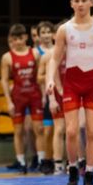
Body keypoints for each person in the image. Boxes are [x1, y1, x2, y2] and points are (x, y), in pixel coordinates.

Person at [47, 0, 93, 185]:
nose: (80, 4)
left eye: (84, 0)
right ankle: (73, 169)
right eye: (76, 1)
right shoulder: (64, 29)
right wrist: (50, 79)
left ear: (91, 2)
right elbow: (55, 58)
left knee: (92, 131)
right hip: (72, 83)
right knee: (71, 131)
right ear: (71, 4)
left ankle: (90, 174)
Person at [1, 24, 44, 174]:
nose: (18, 42)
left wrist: (43, 96)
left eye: (20, 38)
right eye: (15, 39)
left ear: (25, 37)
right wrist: (8, 101)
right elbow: (4, 80)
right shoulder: (7, 57)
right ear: (11, 39)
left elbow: (40, 76)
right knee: (18, 131)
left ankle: (41, 161)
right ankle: (21, 162)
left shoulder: (35, 53)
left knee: (39, 129)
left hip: (34, 94)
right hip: (18, 96)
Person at [39, 21, 66, 175]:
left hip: (71, 93)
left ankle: (74, 163)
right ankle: (56, 163)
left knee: (73, 130)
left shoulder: (74, 53)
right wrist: (52, 98)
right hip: (55, 94)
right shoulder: (49, 56)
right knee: (57, 129)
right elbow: (40, 78)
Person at [35, 21, 56, 174]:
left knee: (61, 131)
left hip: (61, 93)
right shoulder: (37, 53)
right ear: (38, 36)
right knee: (46, 131)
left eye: (49, 32)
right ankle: (44, 159)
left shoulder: (60, 50)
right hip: (43, 95)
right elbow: (38, 77)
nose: (47, 35)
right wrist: (51, 75)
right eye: (43, 32)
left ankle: (62, 161)